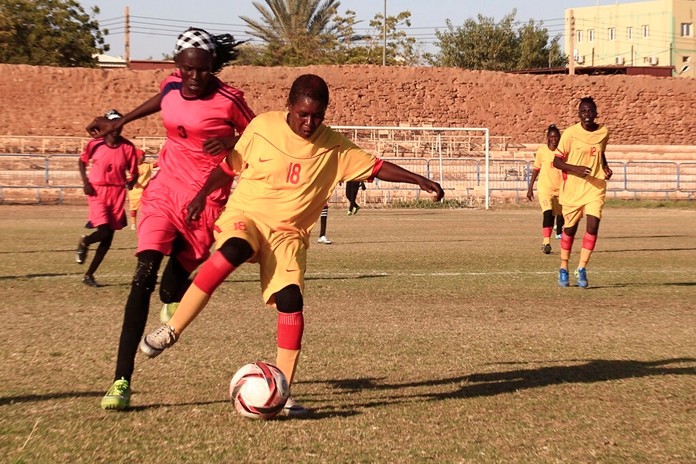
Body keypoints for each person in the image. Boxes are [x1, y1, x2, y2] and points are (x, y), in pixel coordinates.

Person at [138, 74, 444, 417]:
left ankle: (282, 392)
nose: (309, 123)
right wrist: (200, 196)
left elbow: (376, 166)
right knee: (234, 249)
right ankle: (172, 329)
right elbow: (228, 167)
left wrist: (419, 179)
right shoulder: (262, 127)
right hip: (248, 216)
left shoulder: (334, 146)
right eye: (303, 114)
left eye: (317, 116)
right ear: (290, 106)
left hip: (289, 236)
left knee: (291, 301)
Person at [86, 27, 255, 411]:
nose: (194, 78)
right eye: (187, 70)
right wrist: (118, 123)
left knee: (168, 290)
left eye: (202, 70)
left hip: (208, 199)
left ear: (213, 65)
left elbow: (260, 135)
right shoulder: (171, 86)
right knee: (143, 275)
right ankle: (121, 380)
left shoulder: (230, 100)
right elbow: (161, 100)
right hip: (166, 189)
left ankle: (174, 298)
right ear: (177, 66)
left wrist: (231, 142)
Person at [553, 97, 612, 288]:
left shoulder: (603, 132)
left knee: (593, 225)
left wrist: (605, 166)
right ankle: (563, 267)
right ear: (579, 115)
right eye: (583, 111)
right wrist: (575, 168)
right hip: (573, 188)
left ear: (596, 114)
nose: (587, 114)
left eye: (590, 111)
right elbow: (557, 161)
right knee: (570, 229)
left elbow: (599, 151)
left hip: (595, 186)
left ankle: (582, 267)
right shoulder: (570, 133)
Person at [76, 109, 139, 287]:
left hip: (117, 193)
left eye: (119, 123)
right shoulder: (95, 144)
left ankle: (89, 275)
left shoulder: (128, 147)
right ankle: (85, 241)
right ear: (106, 125)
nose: (115, 127)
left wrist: (131, 181)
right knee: (103, 231)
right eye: (112, 123)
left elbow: (134, 172)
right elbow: (82, 161)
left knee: (108, 239)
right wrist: (85, 182)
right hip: (97, 191)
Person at [526, 124, 565, 254]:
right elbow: (536, 169)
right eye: (551, 136)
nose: (554, 139)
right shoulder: (542, 151)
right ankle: (546, 242)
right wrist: (530, 187)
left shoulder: (563, 151)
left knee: (560, 215)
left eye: (556, 137)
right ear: (548, 138)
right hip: (545, 189)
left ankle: (559, 231)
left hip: (560, 189)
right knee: (547, 214)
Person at [127, 151, 157, 230]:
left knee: (146, 208)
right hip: (134, 191)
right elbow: (127, 178)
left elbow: (156, 164)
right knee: (133, 208)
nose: (144, 157)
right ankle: (133, 224)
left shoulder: (146, 165)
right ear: (138, 157)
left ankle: (147, 223)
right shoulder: (131, 167)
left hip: (145, 191)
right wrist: (131, 180)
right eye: (142, 155)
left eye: (144, 155)